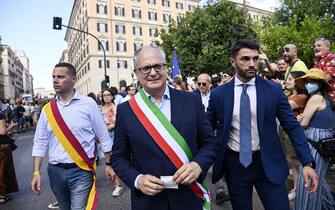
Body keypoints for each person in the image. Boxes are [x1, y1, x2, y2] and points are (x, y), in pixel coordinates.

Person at [207, 39, 318, 210]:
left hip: (268, 164)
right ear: (233, 62)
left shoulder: (273, 90)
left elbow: (292, 126)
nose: (252, 64)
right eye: (245, 59)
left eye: (255, 58)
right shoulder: (218, 94)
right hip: (235, 166)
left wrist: (307, 162)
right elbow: (207, 130)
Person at [111, 46, 219, 210]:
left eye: (158, 66)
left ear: (166, 68)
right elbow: (118, 158)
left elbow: (210, 143)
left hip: (188, 196)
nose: (153, 73)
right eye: (146, 68)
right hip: (148, 201)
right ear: (136, 73)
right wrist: (137, 179)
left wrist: (198, 165)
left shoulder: (191, 101)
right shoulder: (126, 110)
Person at [31, 62, 115, 210]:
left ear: (74, 79)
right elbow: (40, 142)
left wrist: (108, 164)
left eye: (61, 77)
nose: (55, 80)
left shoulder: (88, 104)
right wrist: (36, 172)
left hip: (81, 170)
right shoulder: (47, 110)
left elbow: (103, 136)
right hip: (55, 171)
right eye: (54, 77)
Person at [294, 68, 335, 210]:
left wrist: (299, 119)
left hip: (313, 143)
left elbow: (304, 123)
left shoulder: (315, 98)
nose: (308, 84)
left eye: (312, 81)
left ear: (320, 84)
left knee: (308, 184)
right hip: (323, 144)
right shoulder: (326, 99)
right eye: (307, 81)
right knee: (319, 179)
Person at [282, 71, 307, 200]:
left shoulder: (301, 97)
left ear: (298, 82)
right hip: (285, 133)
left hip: (294, 133)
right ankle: (297, 188)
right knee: (292, 162)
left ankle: (301, 189)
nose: (287, 81)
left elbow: (283, 107)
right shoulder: (290, 95)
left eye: (290, 79)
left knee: (297, 163)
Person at [100, 89, 123, 197]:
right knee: (108, 161)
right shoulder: (100, 109)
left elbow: (121, 121)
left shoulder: (116, 108)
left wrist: (111, 126)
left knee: (114, 160)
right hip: (104, 137)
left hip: (115, 135)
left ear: (112, 96)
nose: (106, 97)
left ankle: (118, 185)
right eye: (104, 95)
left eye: (108, 95)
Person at [0, 111, 18, 204]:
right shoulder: (0, 115)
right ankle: (2, 195)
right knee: (3, 170)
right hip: (2, 146)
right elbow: (2, 132)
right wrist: (11, 126)